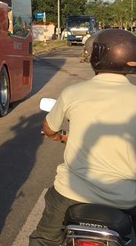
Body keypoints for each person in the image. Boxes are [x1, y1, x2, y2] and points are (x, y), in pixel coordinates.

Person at [29, 28, 136, 246]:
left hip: (71, 192)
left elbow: (49, 128)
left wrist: (59, 136)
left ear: (96, 57)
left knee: (43, 239)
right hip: (126, 198)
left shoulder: (73, 92)